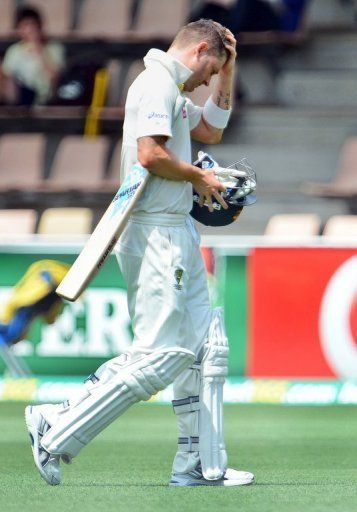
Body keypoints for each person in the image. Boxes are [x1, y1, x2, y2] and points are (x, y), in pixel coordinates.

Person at [25, 19, 255, 487]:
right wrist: (200, 178)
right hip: (154, 233)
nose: (210, 81)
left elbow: (210, 131)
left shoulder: (171, 88)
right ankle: (55, 424)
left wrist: (229, 71)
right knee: (164, 352)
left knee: (203, 347)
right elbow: (151, 155)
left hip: (177, 230)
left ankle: (197, 465)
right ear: (199, 51)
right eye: (212, 69)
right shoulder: (155, 84)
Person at [0, 6, 65, 105]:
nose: (30, 30)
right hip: (19, 94)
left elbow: (54, 77)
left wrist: (39, 50)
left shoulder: (54, 48)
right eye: (25, 26)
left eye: (32, 25)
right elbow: (6, 76)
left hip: (43, 95)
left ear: (39, 26)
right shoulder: (14, 51)